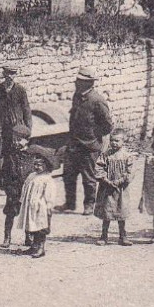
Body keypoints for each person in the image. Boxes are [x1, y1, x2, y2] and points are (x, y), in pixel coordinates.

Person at [58, 68, 113, 214]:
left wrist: (93, 138)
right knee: (68, 175)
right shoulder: (77, 96)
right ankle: (70, 203)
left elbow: (107, 126)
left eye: (79, 81)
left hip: (89, 146)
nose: (76, 83)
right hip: (73, 144)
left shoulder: (97, 100)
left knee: (89, 177)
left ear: (88, 83)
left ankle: (89, 205)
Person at [0, 65, 32, 172]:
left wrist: (27, 132)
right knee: (4, 156)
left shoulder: (20, 90)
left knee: (19, 155)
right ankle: (6, 181)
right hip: (3, 129)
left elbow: (27, 111)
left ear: (15, 75)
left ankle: (18, 178)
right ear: (4, 74)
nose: (10, 76)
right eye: (8, 74)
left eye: (13, 74)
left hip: (18, 129)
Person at [94, 128, 136, 247]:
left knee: (121, 211)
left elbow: (130, 172)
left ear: (124, 141)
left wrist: (120, 181)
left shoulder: (127, 156)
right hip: (107, 189)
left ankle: (123, 236)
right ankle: (104, 236)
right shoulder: (105, 155)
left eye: (117, 141)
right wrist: (105, 180)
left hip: (121, 189)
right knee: (106, 212)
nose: (114, 143)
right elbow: (98, 168)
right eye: (112, 140)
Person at [0, 122, 34, 248]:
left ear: (27, 140)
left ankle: (28, 236)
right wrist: (7, 187)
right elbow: (4, 172)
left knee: (28, 213)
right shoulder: (10, 155)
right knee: (10, 212)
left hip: (26, 189)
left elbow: (34, 172)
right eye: (15, 139)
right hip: (13, 188)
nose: (16, 142)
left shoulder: (31, 155)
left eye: (19, 139)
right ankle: (7, 237)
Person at [17, 150, 56, 258]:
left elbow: (50, 194)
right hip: (30, 206)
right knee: (32, 225)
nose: (37, 167)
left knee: (41, 227)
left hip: (40, 206)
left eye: (40, 165)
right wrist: (22, 200)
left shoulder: (47, 179)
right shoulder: (31, 176)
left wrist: (49, 206)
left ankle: (41, 248)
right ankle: (33, 246)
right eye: (35, 164)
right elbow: (25, 187)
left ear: (46, 165)